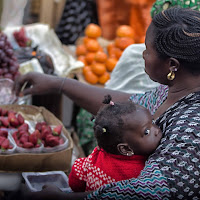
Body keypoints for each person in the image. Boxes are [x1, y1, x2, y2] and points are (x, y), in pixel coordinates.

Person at [16, 7, 200, 199]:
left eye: (148, 50)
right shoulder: (172, 89)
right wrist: (58, 83)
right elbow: (128, 107)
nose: (143, 55)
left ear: (172, 65)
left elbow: (149, 193)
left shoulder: (193, 126)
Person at [69, 94, 162, 192]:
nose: (156, 130)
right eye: (147, 132)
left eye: (152, 122)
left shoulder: (97, 155)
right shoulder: (141, 173)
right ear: (125, 149)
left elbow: (76, 178)